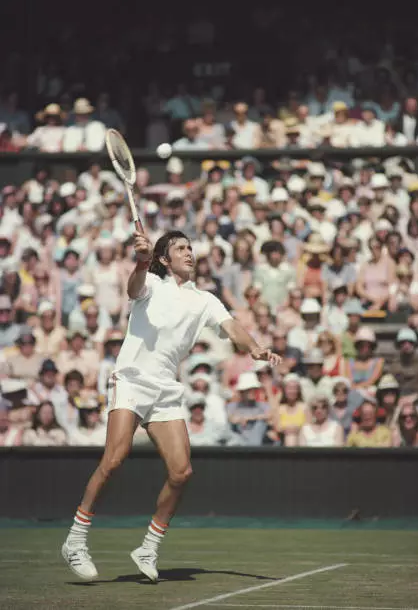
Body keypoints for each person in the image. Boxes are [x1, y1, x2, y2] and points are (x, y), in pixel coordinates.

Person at [62, 229, 280, 582]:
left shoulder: (205, 300)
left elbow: (233, 327)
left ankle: (148, 546)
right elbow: (133, 288)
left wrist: (255, 348)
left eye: (191, 248)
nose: (190, 253)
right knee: (115, 458)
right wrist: (142, 260)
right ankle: (75, 538)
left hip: (165, 389)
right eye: (181, 248)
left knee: (182, 472)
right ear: (165, 259)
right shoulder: (150, 281)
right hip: (131, 379)